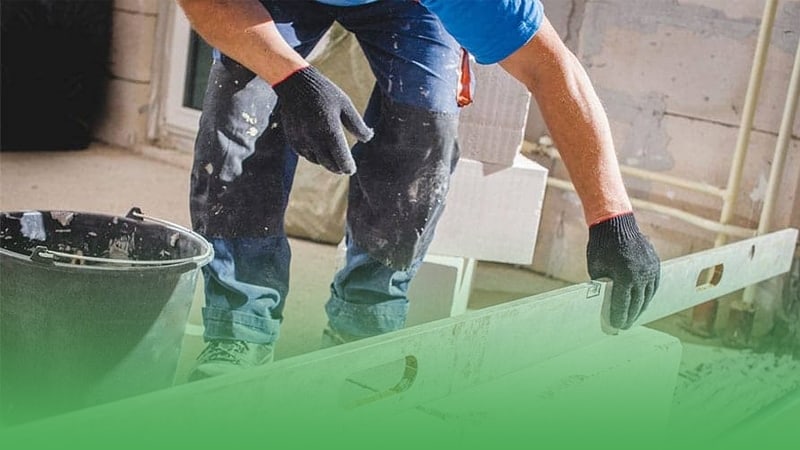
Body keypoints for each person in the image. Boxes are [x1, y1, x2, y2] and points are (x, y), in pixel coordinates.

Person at [175, 0, 661, 381]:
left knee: (426, 125)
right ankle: (240, 330)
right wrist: (289, 75)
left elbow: (550, 67)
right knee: (240, 104)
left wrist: (612, 218)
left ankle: (364, 329)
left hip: (404, 6)